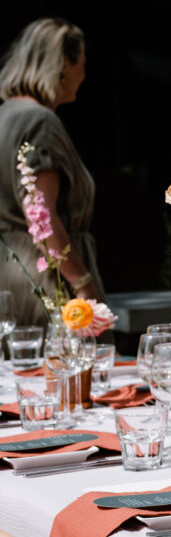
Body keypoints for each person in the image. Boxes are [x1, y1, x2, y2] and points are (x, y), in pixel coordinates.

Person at [0, 18, 104, 329]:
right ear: (62, 65)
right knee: (70, 373)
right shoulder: (39, 122)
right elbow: (41, 216)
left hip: (8, 278)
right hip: (44, 282)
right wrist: (84, 285)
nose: (84, 76)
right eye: (81, 64)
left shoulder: (5, 116)